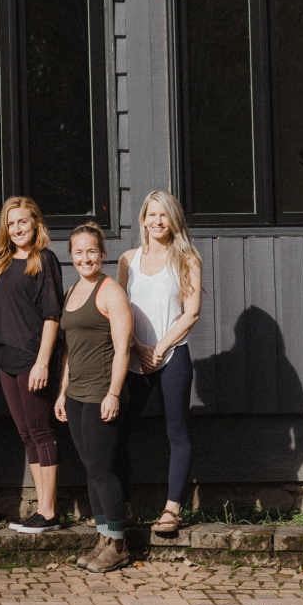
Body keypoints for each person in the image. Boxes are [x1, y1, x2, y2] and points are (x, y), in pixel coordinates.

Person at [117, 190, 202, 534]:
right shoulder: (127, 260)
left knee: (177, 432)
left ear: (173, 219)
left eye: (164, 215)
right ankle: (121, 506)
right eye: (151, 215)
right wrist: (138, 347)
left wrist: (160, 347)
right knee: (118, 430)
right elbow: (120, 310)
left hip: (173, 355)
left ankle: (171, 509)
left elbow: (191, 312)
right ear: (143, 219)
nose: (157, 221)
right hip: (135, 356)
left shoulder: (187, 259)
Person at [55, 223, 134, 572]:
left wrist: (114, 393)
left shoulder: (111, 291)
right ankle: (103, 538)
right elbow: (69, 350)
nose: (85, 257)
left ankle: (119, 545)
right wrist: (61, 392)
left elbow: (122, 350)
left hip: (102, 392)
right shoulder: (72, 290)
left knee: (103, 469)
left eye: (91, 251)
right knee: (90, 469)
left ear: (102, 253)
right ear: (70, 256)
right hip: (76, 394)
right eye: (78, 252)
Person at [0, 197, 64, 534]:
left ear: (35, 224)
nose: (17, 228)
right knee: (26, 435)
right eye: (11, 223)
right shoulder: (2, 262)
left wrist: (43, 362)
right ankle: (42, 509)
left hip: (33, 359)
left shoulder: (43, 259)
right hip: (7, 359)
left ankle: (49, 511)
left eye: (23, 222)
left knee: (41, 432)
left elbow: (52, 315)